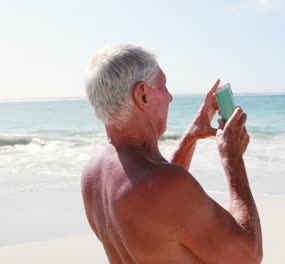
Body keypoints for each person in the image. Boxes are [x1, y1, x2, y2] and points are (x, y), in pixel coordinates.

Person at [81, 44, 263, 264]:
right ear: (142, 95)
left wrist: (190, 136)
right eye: (163, 85)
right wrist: (232, 158)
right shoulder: (165, 186)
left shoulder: (92, 174)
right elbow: (249, 256)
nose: (170, 97)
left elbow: (158, 212)